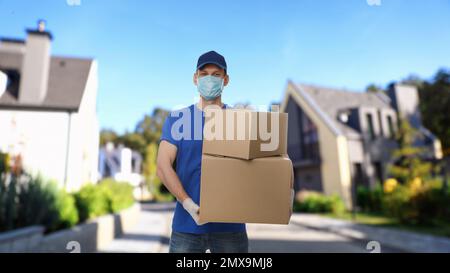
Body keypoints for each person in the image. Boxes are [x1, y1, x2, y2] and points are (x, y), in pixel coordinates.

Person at [156, 51, 248, 253]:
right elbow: (163, 166)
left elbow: (260, 164)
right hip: (186, 227)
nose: (210, 79)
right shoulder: (178, 119)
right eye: (204, 73)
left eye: (216, 75)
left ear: (226, 80)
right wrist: (189, 204)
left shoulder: (239, 120)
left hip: (230, 229)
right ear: (195, 78)